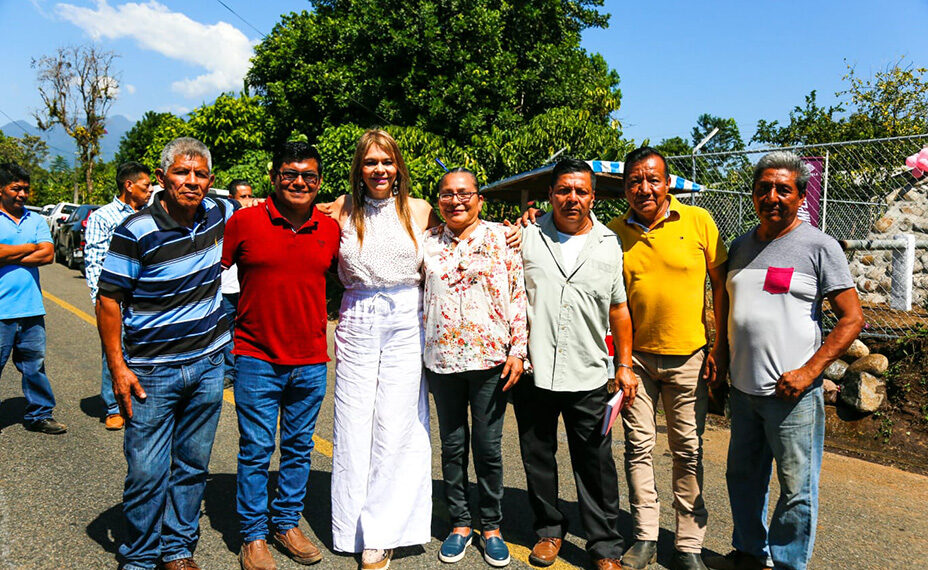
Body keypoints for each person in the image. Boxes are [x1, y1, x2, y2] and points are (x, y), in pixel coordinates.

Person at [706, 151, 864, 570]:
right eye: (764, 188)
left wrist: (810, 371)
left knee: (796, 487)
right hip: (743, 389)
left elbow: (852, 318)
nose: (772, 196)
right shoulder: (741, 246)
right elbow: (729, 309)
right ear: (754, 193)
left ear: (800, 195)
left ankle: (790, 564)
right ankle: (749, 554)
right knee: (742, 478)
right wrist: (719, 352)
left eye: (783, 189)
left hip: (792, 393)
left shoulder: (818, 246)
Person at [95, 137, 235, 570]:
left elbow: (273, 209)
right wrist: (118, 368)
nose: (190, 181)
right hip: (150, 373)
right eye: (181, 172)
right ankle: (138, 556)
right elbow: (108, 301)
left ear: (210, 180)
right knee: (146, 472)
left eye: (199, 174)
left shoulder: (220, 212)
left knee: (193, 466)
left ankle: (177, 549)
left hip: (208, 365)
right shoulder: (136, 230)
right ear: (162, 178)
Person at [323, 129, 437, 570]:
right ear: (359, 168)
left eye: (386, 162)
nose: (379, 170)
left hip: (408, 318)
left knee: (397, 423)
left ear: (398, 167)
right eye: (370, 162)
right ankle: (350, 525)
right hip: (358, 317)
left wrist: (514, 232)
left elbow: (460, 238)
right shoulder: (341, 209)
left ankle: (383, 532)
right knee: (352, 422)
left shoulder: (421, 210)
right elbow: (296, 220)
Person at [514, 158, 636, 570]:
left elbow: (619, 309)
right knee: (538, 456)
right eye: (563, 190)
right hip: (536, 370)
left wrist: (624, 364)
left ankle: (604, 547)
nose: (572, 198)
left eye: (580, 191)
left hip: (588, 371)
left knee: (596, 463)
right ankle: (548, 530)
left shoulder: (608, 243)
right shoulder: (527, 237)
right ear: (550, 195)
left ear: (592, 197)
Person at [609, 147, 727, 570]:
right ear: (624, 188)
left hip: (690, 358)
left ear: (668, 182)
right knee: (638, 448)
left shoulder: (698, 222)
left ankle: (689, 543)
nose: (644, 188)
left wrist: (719, 345)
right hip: (636, 360)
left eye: (652, 179)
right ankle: (644, 537)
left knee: (688, 450)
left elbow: (720, 285)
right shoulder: (613, 233)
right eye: (634, 181)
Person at [222, 143, 338, 570]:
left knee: (298, 446)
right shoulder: (244, 221)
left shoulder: (330, 228)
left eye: (309, 175)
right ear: (274, 177)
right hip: (255, 357)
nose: (299, 182)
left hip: (310, 358)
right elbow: (208, 273)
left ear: (320, 182)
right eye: (290, 174)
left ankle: (286, 522)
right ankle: (252, 536)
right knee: (255, 449)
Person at [422, 168, 527, 567]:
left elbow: (518, 295)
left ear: (480, 199)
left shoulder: (503, 238)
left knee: (488, 448)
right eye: (447, 194)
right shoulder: (426, 243)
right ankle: (460, 524)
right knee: (451, 446)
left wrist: (519, 350)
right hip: (442, 360)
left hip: (490, 360)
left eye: (464, 193)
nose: (456, 200)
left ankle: (492, 525)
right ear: (439, 201)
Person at [84, 161, 152, 431]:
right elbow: (94, 263)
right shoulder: (103, 217)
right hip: (116, 299)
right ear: (129, 185)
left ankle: (142, 402)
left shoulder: (151, 215)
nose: (150, 192)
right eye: (146, 186)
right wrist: (100, 303)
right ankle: (113, 408)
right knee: (113, 353)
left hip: (147, 299)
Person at [0, 162, 66, 435]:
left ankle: (40, 414)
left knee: (34, 366)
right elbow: (37, 251)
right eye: (16, 188)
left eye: (26, 189)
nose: (22, 194)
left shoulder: (36, 220)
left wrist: (8, 252)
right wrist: (30, 248)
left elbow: (48, 255)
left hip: (30, 308)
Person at [220, 178, 254, 389]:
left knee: (246, 331)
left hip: (246, 289)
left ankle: (243, 370)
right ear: (231, 199)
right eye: (243, 197)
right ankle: (228, 371)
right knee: (226, 332)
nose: (248, 201)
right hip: (225, 289)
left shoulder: (254, 221)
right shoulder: (221, 222)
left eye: (250, 196)